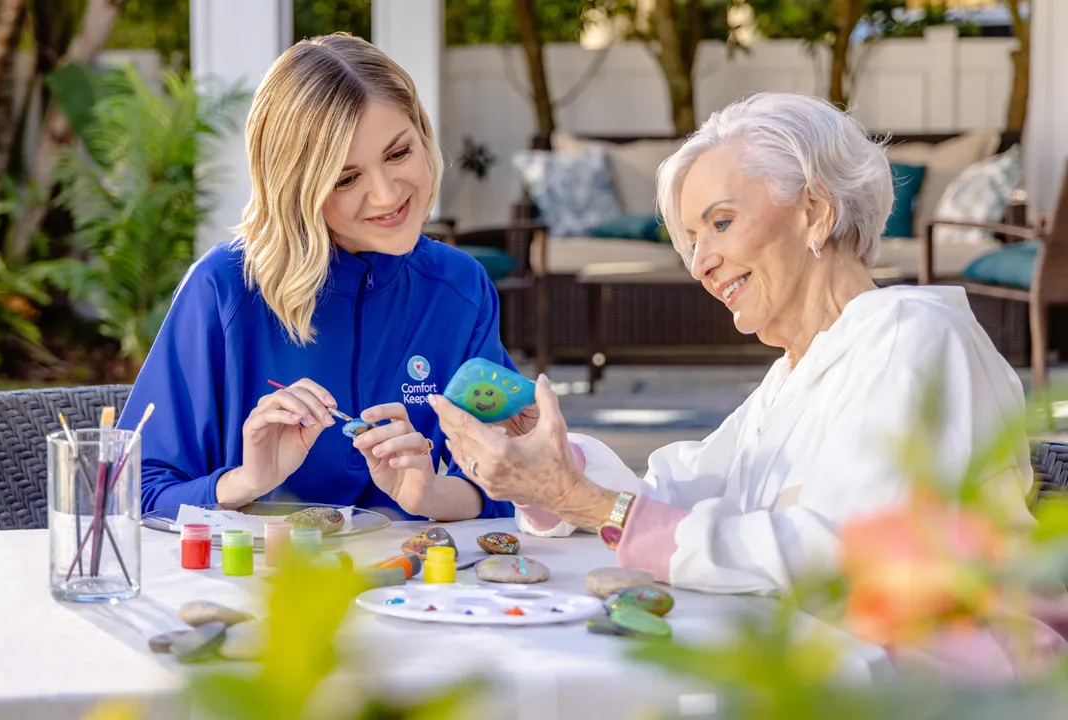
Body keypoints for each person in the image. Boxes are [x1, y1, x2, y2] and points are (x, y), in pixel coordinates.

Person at [429, 91, 1040, 592]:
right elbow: (672, 492)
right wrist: (552, 460)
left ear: (817, 213)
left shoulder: (913, 337)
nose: (700, 263)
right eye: (691, 239)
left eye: (721, 223)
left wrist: (585, 501)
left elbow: (848, 557)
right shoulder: (799, 372)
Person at [118, 33, 529, 521]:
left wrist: (427, 495)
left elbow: (504, 481)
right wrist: (247, 481)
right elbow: (128, 493)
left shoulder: (460, 288)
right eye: (345, 179)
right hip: (257, 589)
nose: (385, 194)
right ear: (296, 188)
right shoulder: (223, 289)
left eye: (398, 153)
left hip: (416, 588)